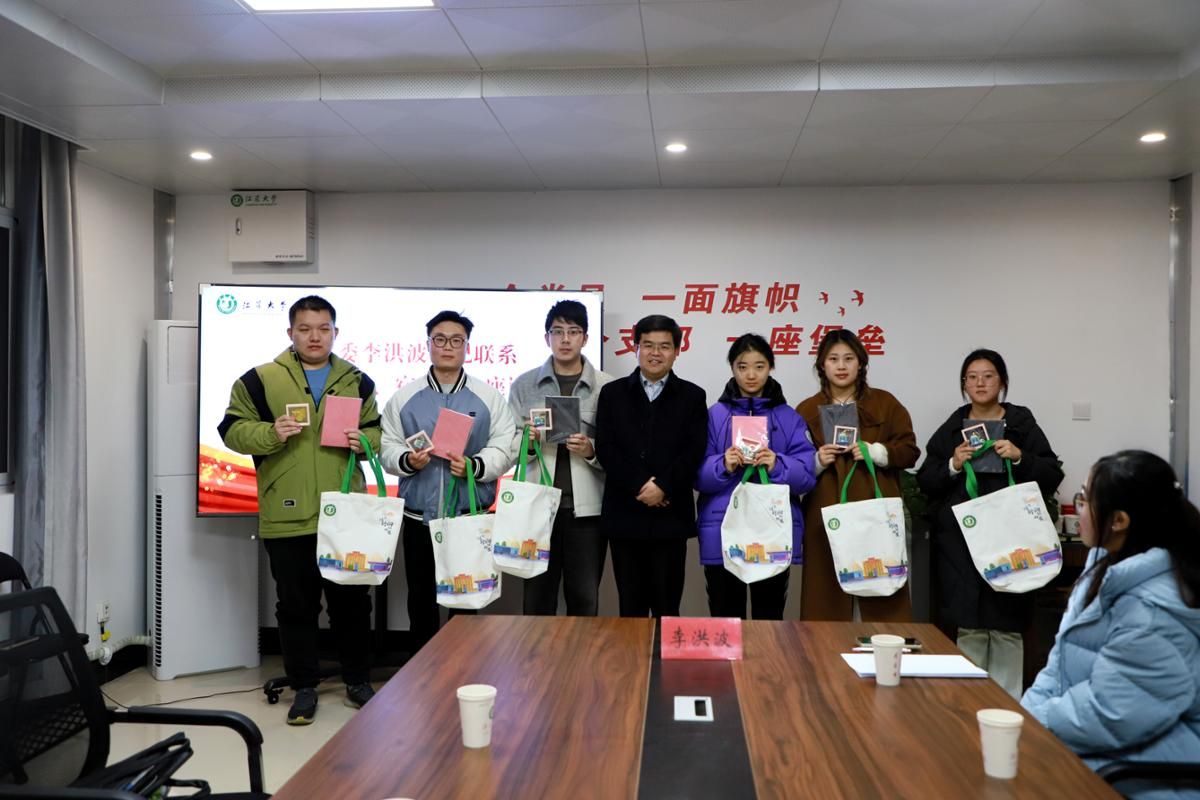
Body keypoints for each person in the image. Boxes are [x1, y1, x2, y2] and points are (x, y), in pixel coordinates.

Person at [218, 295, 381, 725]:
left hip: (345, 514)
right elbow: (232, 430)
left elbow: (377, 433)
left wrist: (364, 441)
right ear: (290, 332)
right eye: (305, 329)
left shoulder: (357, 380)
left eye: (323, 329)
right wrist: (271, 433)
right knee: (296, 607)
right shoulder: (260, 379)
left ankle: (358, 681)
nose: (314, 337)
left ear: (335, 332)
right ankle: (304, 687)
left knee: (352, 604)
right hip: (287, 515)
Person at [1022, 451, 1200, 792]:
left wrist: (1032, 726)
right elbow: (1057, 667)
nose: (1079, 509)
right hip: (1101, 749)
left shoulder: (1153, 615)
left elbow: (1110, 714)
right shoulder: (1104, 567)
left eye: (1085, 500)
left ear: (1119, 521)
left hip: (1147, 774)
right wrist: (1026, 717)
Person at [917, 348, 1063, 699]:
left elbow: (1051, 473)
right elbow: (926, 480)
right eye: (972, 377)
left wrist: (1020, 456)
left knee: (1006, 628)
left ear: (1002, 381)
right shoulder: (953, 427)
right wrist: (953, 463)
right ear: (964, 384)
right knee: (969, 627)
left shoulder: (1021, 423)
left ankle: (1008, 706)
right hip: (962, 545)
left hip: (1011, 539)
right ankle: (969, 706)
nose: (980, 383)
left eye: (988, 376)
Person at [379, 311, 516, 652]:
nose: (448, 346)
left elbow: (504, 446)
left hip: (468, 515)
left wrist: (475, 466)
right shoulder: (405, 397)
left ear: (467, 347)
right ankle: (422, 671)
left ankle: (464, 668)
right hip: (419, 517)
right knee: (420, 598)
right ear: (428, 344)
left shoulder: (488, 397)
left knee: (467, 597)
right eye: (439, 339)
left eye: (456, 340)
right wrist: (407, 460)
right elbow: (387, 445)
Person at [796, 329, 920, 622]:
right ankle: (825, 655)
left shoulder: (886, 403)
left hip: (875, 512)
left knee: (882, 594)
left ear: (861, 363)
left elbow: (909, 451)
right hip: (825, 515)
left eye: (849, 359)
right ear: (821, 365)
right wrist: (816, 461)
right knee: (825, 602)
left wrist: (877, 451)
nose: (841, 366)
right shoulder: (806, 409)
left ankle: (886, 651)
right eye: (833, 359)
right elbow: (793, 465)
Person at [695, 334, 816, 619]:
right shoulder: (714, 416)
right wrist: (723, 464)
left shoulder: (789, 418)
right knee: (726, 619)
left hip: (772, 533)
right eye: (742, 366)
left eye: (759, 366)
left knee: (769, 620)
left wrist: (778, 464)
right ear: (732, 368)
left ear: (770, 367)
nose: (751, 374)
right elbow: (695, 475)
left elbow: (807, 475)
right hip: (723, 531)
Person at [594, 314, 707, 618]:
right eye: (648, 345)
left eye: (664, 346)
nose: (655, 353)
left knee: (667, 608)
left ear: (677, 351)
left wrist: (663, 487)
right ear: (636, 348)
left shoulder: (693, 396)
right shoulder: (613, 393)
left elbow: (694, 451)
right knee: (630, 609)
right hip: (625, 515)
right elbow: (606, 447)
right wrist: (641, 485)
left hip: (670, 517)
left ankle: (663, 654)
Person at [508, 300, 614, 616]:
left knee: (584, 599)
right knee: (537, 600)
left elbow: (618, 448)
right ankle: (537, 653)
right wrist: (528, 443)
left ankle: (580, 653)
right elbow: (508, 445)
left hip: (587, 512)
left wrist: (591, 450)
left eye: (573, 331)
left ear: (585, 338)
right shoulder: (524, 385)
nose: (565, 339)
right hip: (537, 509)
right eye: (557, 331)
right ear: (547, 338)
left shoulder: (607, 387)